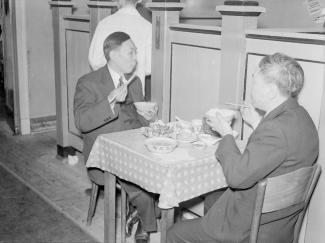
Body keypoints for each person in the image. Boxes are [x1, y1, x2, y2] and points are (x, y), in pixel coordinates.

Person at [167, 53, 319, 243]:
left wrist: (226, 133)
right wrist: (257, 123)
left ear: (271, 91)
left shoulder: (275, 129)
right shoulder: (302, 118)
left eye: (255, 81)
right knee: (214, 198)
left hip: (254, 227)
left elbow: (237, 178)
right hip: (282, 222)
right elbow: (278, 153)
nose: (251, 88)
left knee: (174, 232)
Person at [74, 32, 158, 243]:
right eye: (131, 53)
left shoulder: (135, 82)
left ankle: (138, 212)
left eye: (135, 53)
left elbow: (141, 122)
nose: (135, 58)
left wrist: (148, 117)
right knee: (142, 179)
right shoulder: (88, 82)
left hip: (135, 145)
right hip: (105, 156)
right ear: (113, 54)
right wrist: (110, 101)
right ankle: (145, 223)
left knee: (164, 168)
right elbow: (82, 122)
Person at [88, 0, 152, 93]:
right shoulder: (147, 26)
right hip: (134, 92)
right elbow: (149, 67)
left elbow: (94, 60)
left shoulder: (104, 23)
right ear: (140, 0)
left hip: (107, 90)